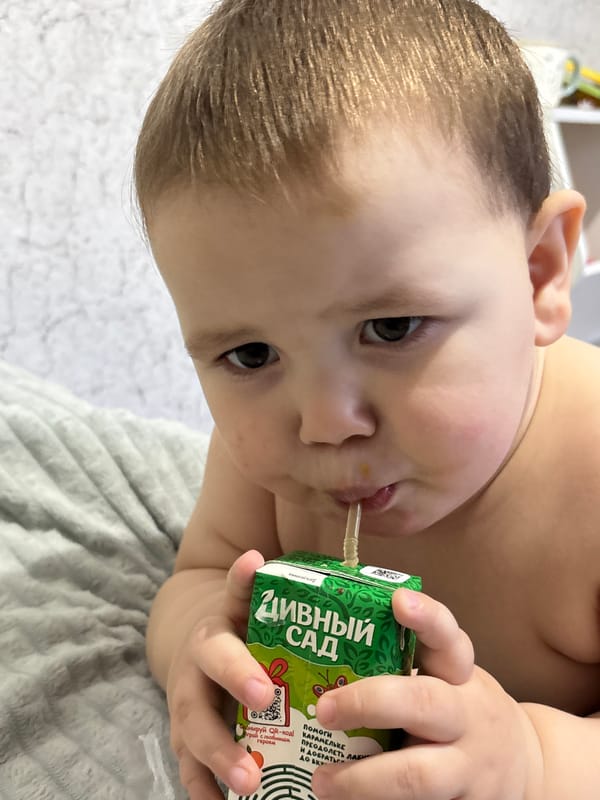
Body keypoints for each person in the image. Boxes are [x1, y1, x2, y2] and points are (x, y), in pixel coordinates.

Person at [134, 1, 600, 798]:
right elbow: (199, 575)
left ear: (539, 275)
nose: (323, 424)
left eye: (390, 328)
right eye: (251, 354)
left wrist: (534, 762)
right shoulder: (271, 455)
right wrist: (196, 640)